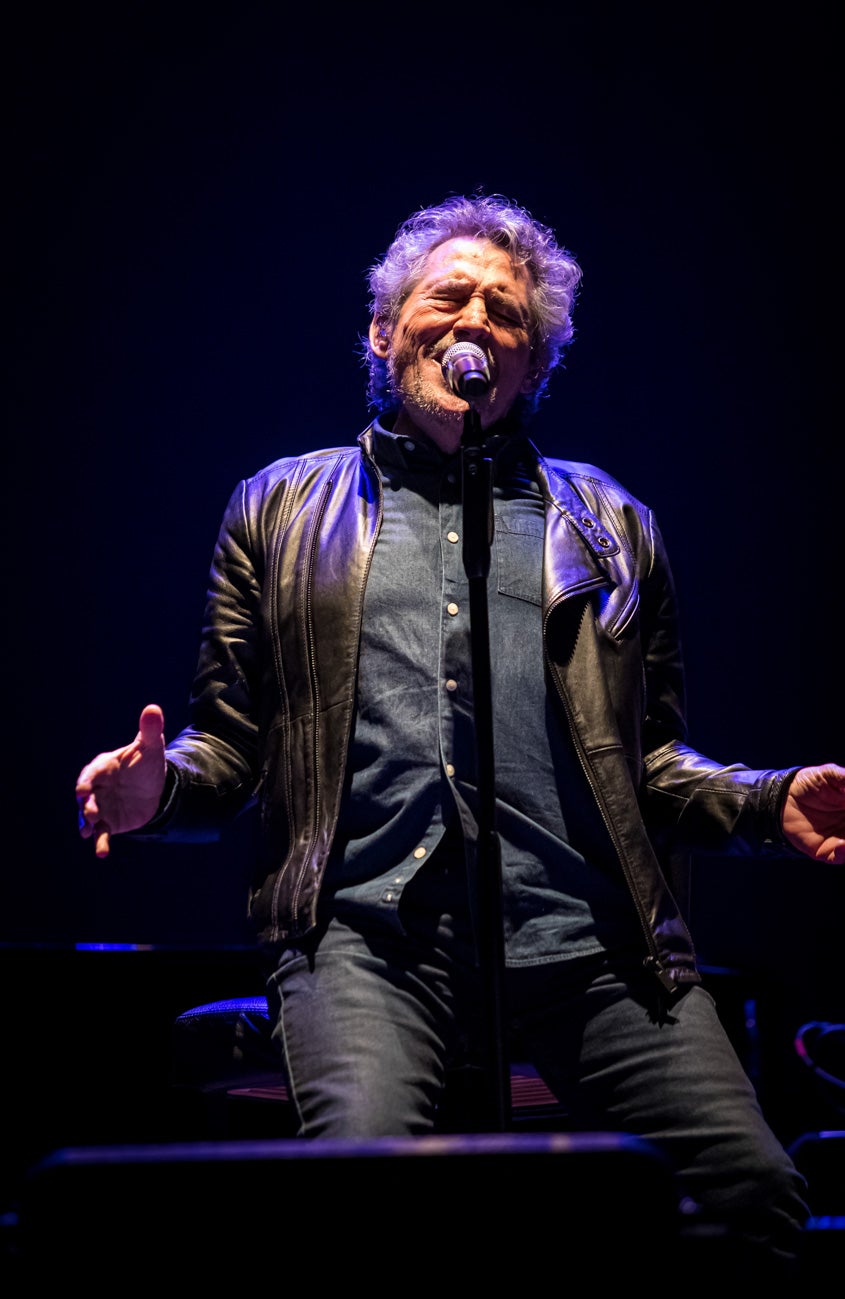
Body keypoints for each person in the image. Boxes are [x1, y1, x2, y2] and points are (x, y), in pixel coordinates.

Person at [76, 193, 844, 1273]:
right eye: (447, 296)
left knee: (755, 1194)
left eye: (506, 312)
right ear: (387, 329)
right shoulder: (280, 507)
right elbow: (234, 748)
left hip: (589, 950)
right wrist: (156, 794)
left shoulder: (610, 521)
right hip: (366, 942)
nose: (474, 319)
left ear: (531, 365)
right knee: (367, 1195)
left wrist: (767, 802)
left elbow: (648, 765)